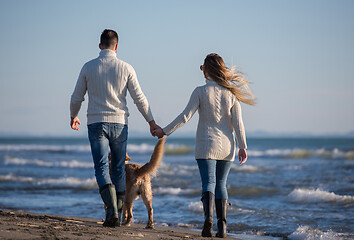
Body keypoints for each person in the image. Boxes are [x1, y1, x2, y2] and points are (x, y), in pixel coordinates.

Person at [153, 53, 256, 238]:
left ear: (206, 70)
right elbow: (238, 123)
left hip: (206, 145)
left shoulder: (200, 91)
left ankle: (208, 219)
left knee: (208, 183)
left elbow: (185, 117)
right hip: (227, 147)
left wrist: (164, 131)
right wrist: (242, 147)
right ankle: (222, 227)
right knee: (222, 184)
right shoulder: (231, 94)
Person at [70, 29, 159, 227]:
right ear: (116, 47)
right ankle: (117, 212)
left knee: (102, 167)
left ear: (100, 46)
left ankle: (112, 212)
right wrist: (151, 122)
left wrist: (73, 115)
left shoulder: (88, 67)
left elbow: (77, 96)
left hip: (96, 122)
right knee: (118, 168)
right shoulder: (126, 68)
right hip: (120, 123)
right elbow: (139, 99)